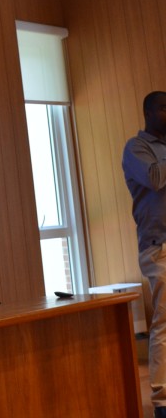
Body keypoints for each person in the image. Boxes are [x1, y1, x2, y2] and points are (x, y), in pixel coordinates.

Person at [123, 90, 166, 418]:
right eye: (165, 108)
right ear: (149, 113)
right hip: (159, 247)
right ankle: (163, 401)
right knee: (165, 324)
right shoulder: (137, 148)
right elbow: (154, 178)